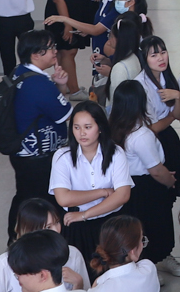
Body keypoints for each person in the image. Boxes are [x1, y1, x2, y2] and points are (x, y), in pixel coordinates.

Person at [4, 32, 72, 238]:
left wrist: (59, 85)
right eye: (50, 48)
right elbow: (65, 113)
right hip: (39, 158)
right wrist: (58, 88)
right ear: (35, 54)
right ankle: (42, 240)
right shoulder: (39, 84)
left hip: (21, 151)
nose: (55, 51)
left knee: (24, 197)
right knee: (44, 202)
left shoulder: (19, 72)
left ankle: (15, 236)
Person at [105, 80, 175, 267]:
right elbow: (156, 171)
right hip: (147, 188)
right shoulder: (141, 134)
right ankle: (152, 265)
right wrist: (170, 181)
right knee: (153, 230)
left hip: (125, 185)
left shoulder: (112, 128)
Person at [0, 199, 87, 292]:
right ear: (29, 230)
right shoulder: (5, 263)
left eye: (57, 222)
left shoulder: (73, 254)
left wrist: (78, 283)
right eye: (48, 227)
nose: (56, 230)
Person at [51, 100, 134, 254]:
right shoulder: (62, 156)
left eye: (88, 127)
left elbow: (122, 195)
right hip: (75, 225)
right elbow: (63, 199)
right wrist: (103, 192)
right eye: (76, 127)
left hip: (110, 222)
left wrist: (85, 215)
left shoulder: (116, 153)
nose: (81, 133)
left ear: (100, 128)